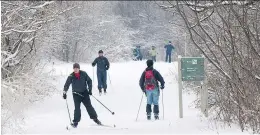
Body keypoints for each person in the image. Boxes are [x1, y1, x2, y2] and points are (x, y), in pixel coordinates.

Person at [63, 63, 101, 128]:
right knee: (77, 108)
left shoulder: (84, 74)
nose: (75, 69)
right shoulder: (71, 76)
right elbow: (67, 84)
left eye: (77, 68)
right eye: (74, 68)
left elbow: (89, 81)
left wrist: (90, 90)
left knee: (89, 106)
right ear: (73, 69)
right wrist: (64, 92)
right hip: (76, 94)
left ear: (79, 68)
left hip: (84, 93)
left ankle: (95, 119)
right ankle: (75, 122)